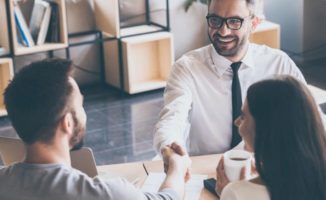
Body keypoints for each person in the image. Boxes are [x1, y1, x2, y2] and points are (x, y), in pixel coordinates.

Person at [0, 59, 191, 200]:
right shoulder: (107, 194)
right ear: (67, 123)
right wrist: (177, 167)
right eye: (81, 105)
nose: (84, 113)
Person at [153, 0, 308, 157]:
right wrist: (170, 150)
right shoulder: (186, 68)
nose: (223, 31)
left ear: (253, 24)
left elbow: (311, 118)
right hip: (205, 170)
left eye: (234, 21)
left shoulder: (278, 63)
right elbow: (172, 119)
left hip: (264, 166)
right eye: (215, 20)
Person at [216, 75, 326, 200]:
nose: (236, 122)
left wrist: (229, 193)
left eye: (243, 116)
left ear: (264, 129)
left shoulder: (236, 193)